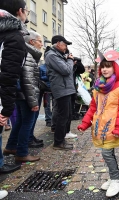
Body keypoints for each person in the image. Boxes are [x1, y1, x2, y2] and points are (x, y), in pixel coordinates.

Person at [77, 50, 119, 198]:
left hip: (114, 127)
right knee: (107, 153)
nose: (105, 69)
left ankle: (116, 179)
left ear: (116, 68)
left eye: (108, 66)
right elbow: (93, 108)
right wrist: (85, 123)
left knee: (107, 153)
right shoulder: (98, 87)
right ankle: (114, 177)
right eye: (103, 67)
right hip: (100, 127)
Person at [0, 0, 28, 181]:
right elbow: (9, 75)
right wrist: (6, 110)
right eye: (27, 11)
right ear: (20, 11)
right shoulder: (12, 36)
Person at [4, 30, 42, 162]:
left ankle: (11, 147)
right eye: (40, 41)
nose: (41, 45)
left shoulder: (25, 53)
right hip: (26, 96)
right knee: (27, 123)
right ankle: (22, 153)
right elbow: (28, 80)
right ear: (31, 42)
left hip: (21, 95)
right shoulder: (28, 55)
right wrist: (33, 102)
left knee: (20, 122)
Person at [45, 35, 76, 150]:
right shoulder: (52, 55)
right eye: (65, 44)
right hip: (61, 89)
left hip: (65, 89)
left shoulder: (57, 55)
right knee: (62, 116)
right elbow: (66, 70)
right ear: (58, 43)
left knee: (66, 115)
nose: (66, 47)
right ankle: (58, 142)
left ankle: (61, 140)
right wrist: (69, 60)